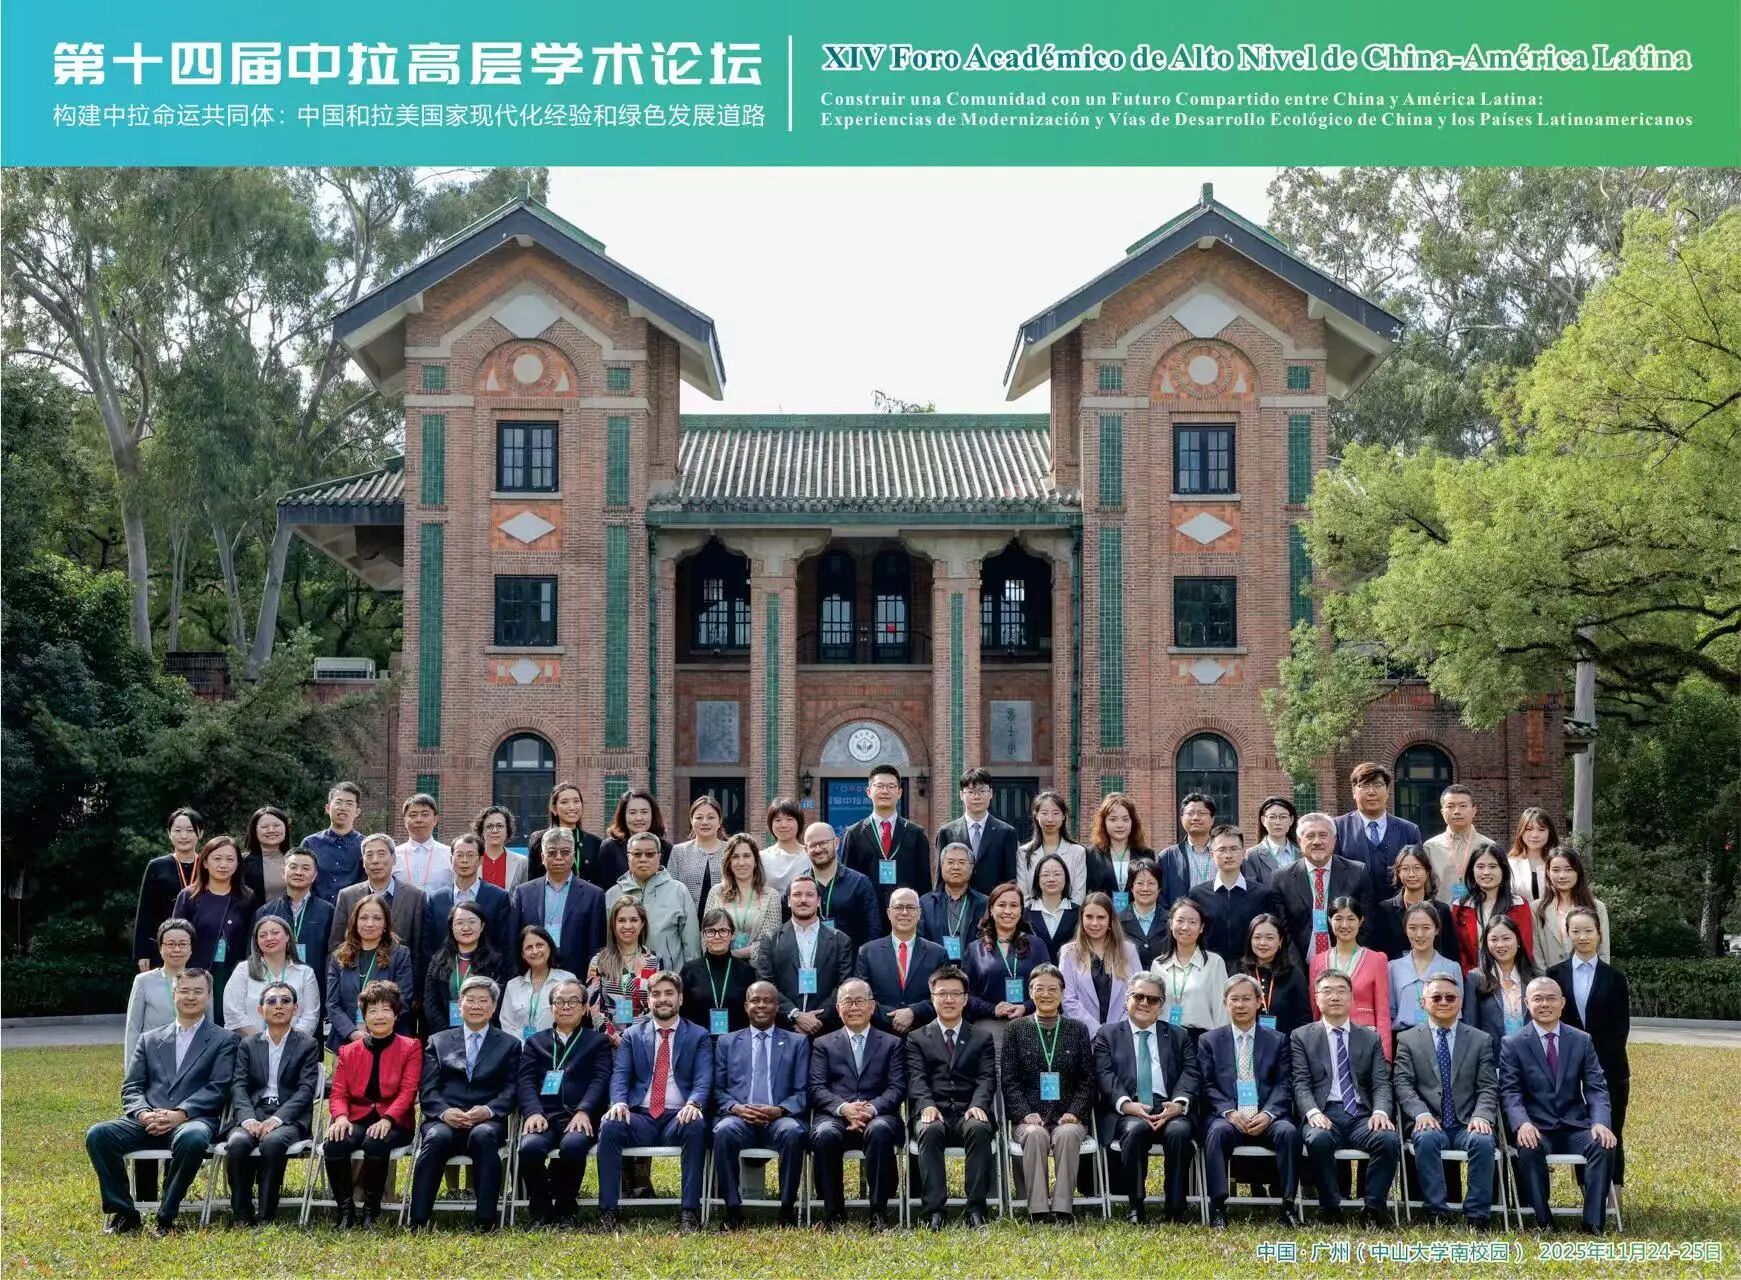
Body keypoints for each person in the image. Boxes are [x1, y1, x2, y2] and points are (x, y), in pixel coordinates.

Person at [86, 968, 237, 1235]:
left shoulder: (224, 1040)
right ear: (174, 993)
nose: (191, 997)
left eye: (198, 991)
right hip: (148, 1120)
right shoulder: (149, 1039)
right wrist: (144, 1114)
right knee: (99, 1134)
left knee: (193, 1138)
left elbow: (219, 1087)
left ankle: (166, 1216)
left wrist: (181, 1113)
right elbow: (132, 1087)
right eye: (185, 990)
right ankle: (125, 1214)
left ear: (209, 996)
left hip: (192, 1121)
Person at [596, 970, 714, 1231]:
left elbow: (704, 1078)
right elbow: (621, 1074)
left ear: (680, 998)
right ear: (648, 1000)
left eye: (669, 993)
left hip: (678, 1116)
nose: (662, 999)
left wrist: (694, 1103)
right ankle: (608, 1211)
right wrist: (619, 1102)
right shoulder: (633, 1035)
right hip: (641, 1116)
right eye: (656, 994)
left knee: (695, 1125)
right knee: (610, 1126)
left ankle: (690, 1212)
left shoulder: (699, 1035)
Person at [1500, 977, 1618, 1233]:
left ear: (1562, 1003)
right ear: (1527, 1003)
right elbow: (1510, 1092)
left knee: (1603, 1144)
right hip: (1537, 1128)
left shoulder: (1581, 1040)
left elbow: (1596, 1088)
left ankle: (1593, 1223)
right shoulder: (1513, 1043)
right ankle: (1543, 1222)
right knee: (1528, 1147)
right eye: (1538, 999)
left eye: (1551, 998)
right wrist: (1522, 1124)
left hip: (1574, 1126)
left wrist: (1600, 1122)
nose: (1545, 1004)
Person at [408, 975, 520, 1231]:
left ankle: (485, 1221)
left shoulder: (509, 1045)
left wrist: (488, 1110)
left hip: (486, 1120)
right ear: (460, 1004)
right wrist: (445, 1112)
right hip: (445, 1119)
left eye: (483, 1001)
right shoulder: (438, 1041)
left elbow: (511, 1090)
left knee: (484, 1136)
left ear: (494, 1006)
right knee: (437, 1138)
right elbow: (428, 1089)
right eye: (470, 1000)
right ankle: (418, 1221)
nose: (476, 1006)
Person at [1290, 969, 1401, 1226]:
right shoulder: (1301, 1036)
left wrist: (1380, 1112)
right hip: (1324, 1112)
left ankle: (1373, 1209)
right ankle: (1330, 1208)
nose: (1335, 997)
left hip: (1362, 1115)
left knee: (1387, 1139)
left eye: (1341, 991)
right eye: (1327, 991)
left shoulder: (1370, 1037)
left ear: (1352, 998)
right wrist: (1313, 1112)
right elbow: (1300, 1083)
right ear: (1317, 998)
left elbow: (1381, 1083)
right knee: (1318, 1139)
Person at [1392, 974, 1499, 1228]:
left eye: (1450, 997)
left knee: (1484, 1141)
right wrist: (1420, 1114)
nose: (1443, 1002)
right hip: (1428, 1121)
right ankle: (1437, 1213)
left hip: (1467, 1122)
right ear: (1423, 1002)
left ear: (1460, 1002)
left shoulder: (1480, 1039)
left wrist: (1481, 1116)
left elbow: (1488, 1086)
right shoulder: (1407, 1039)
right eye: (1436, 997)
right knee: (1426, 1139)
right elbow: (1403, 1084)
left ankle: (1477, 1215)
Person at [1092, 974, 1199, 1224]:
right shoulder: (1107, 1034)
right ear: (1126, 999)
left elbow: (1191, 1072)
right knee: (1135, 1130)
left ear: (1161, 1005)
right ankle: (1136, 1205)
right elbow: (1104, 1075)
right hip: (1128, 1107)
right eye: (1138, 996)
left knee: (1179, 1132)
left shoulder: (1179, 1035)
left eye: (1152, 999)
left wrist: (1179, 1104)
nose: (1144, 1003)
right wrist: (1126, 1104)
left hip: (1168, 1105)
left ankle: (1175, 1207)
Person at [1198, 974, 1300, 1228]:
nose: (1240, 1005)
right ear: (1225, 1003)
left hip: (1266, 1115)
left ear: (1259, 1002)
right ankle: (1218, 1206)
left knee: (1288, 1132)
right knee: (1217, 1132)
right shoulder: (1209, 1041)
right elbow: (1207, 1085)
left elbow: (1285, 1083)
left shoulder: (1278, 1040)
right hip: (1230, 1117)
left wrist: (1268, 1113)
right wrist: (1229, 1112)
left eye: (1246, 999)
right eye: (1234, 999)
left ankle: (1288, 1204)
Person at [808, 979, 907, 1229]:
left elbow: (897, 1087)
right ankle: (834, 1214)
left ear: (871, 1006)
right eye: (847, 1002)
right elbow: (816, 1087)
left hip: (879, 1114)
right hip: (835, 1116)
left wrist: (870, 1109)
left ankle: (879, 1212)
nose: (853, 1007)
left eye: (859, 1001)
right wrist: (845, 1108)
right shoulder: (822, 1044)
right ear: (838, 1008)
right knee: (825, 1134)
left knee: (880, 1130)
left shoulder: (892, 1043)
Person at [711, 980, 810, 1228]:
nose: (761, 1005)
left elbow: (803, 1091)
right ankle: (733, 1211)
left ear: (777, 1006)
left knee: (793, 1132)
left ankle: (787, 1211)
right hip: (740, 1118)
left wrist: (780, 1110)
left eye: (768, 1001)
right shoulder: (727, 1042)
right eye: (755, 1000)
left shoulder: (797, 1042)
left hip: (779, 1118)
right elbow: (717, 1090)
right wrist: (736, 1108)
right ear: (746, 1006)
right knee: (723, 1131)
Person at [322, 979, 421, 1228]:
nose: (379, 1016)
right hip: (357, 1118)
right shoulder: (348, 1051)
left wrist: (388, 1119)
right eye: (372, 1010)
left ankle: (371, 1210)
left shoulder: (411, 1047)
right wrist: (340, 1117)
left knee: (375, 1140)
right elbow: (339, 1093)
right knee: (334, 1143)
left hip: (395, 1122)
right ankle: (345, 1211)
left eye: (386, 1009)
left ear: (396, 1014)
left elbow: (408, 1091)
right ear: (364, 1016)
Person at [1001, 964, 1094, 1224]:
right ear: (1030, 992)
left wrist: (1074, 1112)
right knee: (1035, 1135)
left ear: (1062, 993)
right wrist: (1024, 1113)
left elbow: (1087, 1080)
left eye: (1053, 989)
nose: (1046, 994)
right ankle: (1038, 1209)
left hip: (1068, 1116)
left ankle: (1063, 1208)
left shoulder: (1078, 1029)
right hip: (1029, 1117)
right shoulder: (1015, 1029)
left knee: (1066, 1135)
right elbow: (1009, 1079)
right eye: (1039, 988)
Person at [514, 978, 611, 1226]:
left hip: (580, 1117)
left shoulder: (597, 1041)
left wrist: (584, 1110)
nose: (566, 1007)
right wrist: (533, 1112)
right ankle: (541, 1207)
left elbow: (600, 1080)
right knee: (529, 1148)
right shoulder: (535, 1042)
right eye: (559, 1001)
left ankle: (566, 1208)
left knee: (573, 1146)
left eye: (573, 1001)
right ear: (551, 1007)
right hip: (544, 1116)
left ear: (585, 1007)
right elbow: (525, 1081)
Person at [906, 966, 997, 1229]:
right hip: (935, 1111)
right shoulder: (917, 1038)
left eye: (956, 994)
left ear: (965, 999)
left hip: (968, 1111)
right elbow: (916, 1078)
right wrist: (926, 1105)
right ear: (932, 997)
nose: (949, 1000)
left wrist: (978, 1105)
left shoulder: (981, 1037)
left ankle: (976, 1209)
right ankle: (934, 1211)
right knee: (929, 1130)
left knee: (979, 1128)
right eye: (942, 994)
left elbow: (986, 1077)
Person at [222, 981, 320, 1224]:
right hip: (253, 1113)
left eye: (285, 1001)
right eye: (271, 1001)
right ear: (260, 1010)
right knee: (237, 1144)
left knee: (273, 1143)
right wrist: (247, 1119)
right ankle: (242, 1215)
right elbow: (239, 1086)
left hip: (288, 1118)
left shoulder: (307, 1044)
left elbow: (306, 1090)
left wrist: (278, 1119)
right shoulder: (248, 1044)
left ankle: (266, 1215)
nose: (279, 1006)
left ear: (295, 1008)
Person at [1549, 908, 1631, 1189]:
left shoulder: (1615, 977)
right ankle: (1589, 1197)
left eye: (1588, 931)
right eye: (1576, 931)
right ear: (1567, 934)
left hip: (1609, 1069)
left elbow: (1620, 1029)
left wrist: (1594, 1066)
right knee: (1579, 1132)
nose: (1582, 937)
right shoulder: (1554, 976)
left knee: (1611, 1131)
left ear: (1599, 933)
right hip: (1566, 1071)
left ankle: (1614, 1197)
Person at [754, 875, 852, 1036]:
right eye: (797, 894)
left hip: (826, 1030)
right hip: (785, 1029)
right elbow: (766, 983)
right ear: (788, 901)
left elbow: (843, 986)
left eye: (809, 895)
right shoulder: (770, 939)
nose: (803, 900)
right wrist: (795, 1015)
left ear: (818, 901)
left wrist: (816, 1019)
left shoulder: (840, 940)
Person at [1271, 812, 1375, 964]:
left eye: (1323, 835)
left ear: (1334, 840)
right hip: (1299, 966)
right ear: (1299, 841)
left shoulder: (1357, 872)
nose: (1317, 842)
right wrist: (1297, 970)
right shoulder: (1282, 878)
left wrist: (1352, 962)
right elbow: (1283, 930)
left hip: (1347, 963)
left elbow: (1367, 924)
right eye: (1310, 836)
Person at [330, 833, 427, 989]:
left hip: (398, 986)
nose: (375, 860)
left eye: (381, 854)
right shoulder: (347, 896)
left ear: (394, 859)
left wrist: (414, 993)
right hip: (353, 986)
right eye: (369, 855)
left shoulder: (415, 897)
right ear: (363, 862)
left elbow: (418, 951)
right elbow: (336, 945)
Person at [510, 828, 607, 979]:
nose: (558, 858)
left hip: (576, 974)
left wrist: (591, 980)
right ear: (543, 857)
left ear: (573, 856)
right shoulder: (523, 893)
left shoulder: (594, 894)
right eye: (552, 853)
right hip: (533, 973)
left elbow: (595, 944)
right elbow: (514, 939)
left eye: (565, 852)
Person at [326, 894, 415, 1050]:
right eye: (363, 918)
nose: (370, 924)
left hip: (388, 1041)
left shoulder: (400, 954)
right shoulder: (339, 956)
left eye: (377, 918)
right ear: (355, 922)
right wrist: (351, 1032)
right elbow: (332, 1004)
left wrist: (377, 1030)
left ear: (386, 923)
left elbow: (403, 1000)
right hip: (346, 1041)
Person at [169, 835, 254, 996]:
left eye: (230, 859)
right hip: (195, 973)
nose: (223, 865)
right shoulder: (189, 896)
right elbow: (176, 938)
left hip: (234, 972)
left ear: (238, 863)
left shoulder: (247, 897)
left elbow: (251, 939)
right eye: (217, 859)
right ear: (205, 862)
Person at [1308, 896, 1392, 1060]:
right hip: (1328, 1041)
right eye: (1338, 918)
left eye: (1351, 919)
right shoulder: (1317, 961)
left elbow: (1383, 1011)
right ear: (1329, 920)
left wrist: (1385, 1057)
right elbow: (1315, 1009)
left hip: (1365, 1040)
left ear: (1361, 921)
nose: (1345, 925)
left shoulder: (1377, 959)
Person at [855, 887, 948, 1035]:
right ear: (888, 913)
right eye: (898, 907)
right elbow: (861, 996)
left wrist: (913, 1012)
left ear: (919, 913)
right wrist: (893, 1017)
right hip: (880, 1035)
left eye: (911, 907)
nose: (904, 912)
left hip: (924, 1035)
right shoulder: (867, 952)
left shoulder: (938, 953)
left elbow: (944, 995)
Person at [840, 763, 933, 909]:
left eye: (891, 786)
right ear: (869, 791)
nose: (885, 791)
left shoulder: (915, 834)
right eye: (880, 786)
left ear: (899, 793)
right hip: (866, 912)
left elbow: (924, 883)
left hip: (905, 912)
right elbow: (848, 881)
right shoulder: (854, 834)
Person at [606, 830, 701, 971]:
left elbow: (691, 943)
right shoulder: (613, 894)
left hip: (669, 978)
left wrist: (691, 977)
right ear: (628, 857)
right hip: (623, 979)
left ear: (659, 857)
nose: (643, 859)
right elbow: (608, 942)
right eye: (637, 854)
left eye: (650, 854)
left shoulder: (678, 891)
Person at [962, 881, 1052, 1025]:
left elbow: (1050, 986)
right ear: (991, 909)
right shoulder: (974, 949)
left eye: (1014, 905)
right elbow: (966, 994)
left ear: (1021, 911)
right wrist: (993, 1009)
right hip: (989, 1023)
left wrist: (1025, 1007)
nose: (1008, 911)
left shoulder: (1037, 945)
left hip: (1031, 1021)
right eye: (1002, 905)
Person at [1190, 824, 1280, 967]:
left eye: (1233, 849)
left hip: (1251, 969)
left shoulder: (1262, 894)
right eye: (1222, 850)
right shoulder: (1197, 894)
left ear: (1244, 853)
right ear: (1212, 855)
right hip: (1208, 969)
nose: (1228, 855)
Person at [254, 848, 335, 1006]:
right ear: (283, 872)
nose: (299, 872)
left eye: (305, 868)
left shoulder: (328, 911)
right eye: (293, 867)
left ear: (315, 875)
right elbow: (254, 954)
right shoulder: (266, 912)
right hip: (274, 992)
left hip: (316, 987)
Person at [1058, 891, 1142, 1037]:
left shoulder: (1128, 951)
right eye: (1089, 917)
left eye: (1101, 917)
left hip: (1122, 1036)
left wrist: (1115, 1032)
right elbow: (1067, 1000)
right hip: (1081, 1036)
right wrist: (1098, 1031)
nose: (1094, 923)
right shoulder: (1068, 953)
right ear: (1082, 918)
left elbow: (1137, 994)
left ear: (1110, 920)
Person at [223, 914, 320, 1038]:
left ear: (288, 936)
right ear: (256, 942)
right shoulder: (243, 970)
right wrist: (261, 1041)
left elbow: (310, 1016)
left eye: (275, 933)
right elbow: (233, 1013)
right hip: (250, 1044)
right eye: (262, 935)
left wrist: (289, 1042)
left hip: (294, 1045)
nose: (269, 938)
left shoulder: (305, 973)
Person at [424, 832, 513, 963]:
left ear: (481, 860)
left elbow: (504, 942)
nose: (464, 860)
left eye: (470, 855)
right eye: (459, 855)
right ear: (451, 859)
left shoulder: (499, 897)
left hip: (486, 969)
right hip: (445, 970)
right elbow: (428, 943)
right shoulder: (436, 899)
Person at [134, 809, 206, 971]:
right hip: (165, 945)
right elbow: (145, 910)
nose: (183, 836)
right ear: (169, 833)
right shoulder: (157, 866)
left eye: (190, 830)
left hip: (202, 945)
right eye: (177, 830)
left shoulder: (208, 865)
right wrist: (142, 952)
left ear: (200, 833)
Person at [1333, 761, 1422, 889]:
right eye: (1364, 786)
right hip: (1352, 901)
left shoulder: (1409, 830)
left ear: (1387, 790)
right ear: (1354, 791)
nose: (1372, 792)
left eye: (1378, 785)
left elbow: (1418, 875)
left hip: (1398, 901)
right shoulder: (1337, 827)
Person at [423, 900, 506, 1037]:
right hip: (445, 1035)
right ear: (451, 927)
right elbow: (430, 1003)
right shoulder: (438, 961)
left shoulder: (495, 963)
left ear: (482, 926)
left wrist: (477, 1031)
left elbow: (498, 1003)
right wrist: (447, 1035)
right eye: (459, 923)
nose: (466, 928)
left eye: (472, 922)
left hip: (483, 1035)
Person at [125, 919, 201, 1066]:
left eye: (183, 944)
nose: (177, 949)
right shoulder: (143, 981)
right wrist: (132, 1070)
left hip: (192, 1061)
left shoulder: (202, 979)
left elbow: (209, 1025)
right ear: (160, 948)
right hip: (154, 1060)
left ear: (191, 948)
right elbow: (133, 1028)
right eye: (171, 944)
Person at [586, 898, 663, 1043]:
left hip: (643, 1040)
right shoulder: (599, 961)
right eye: (621, 920)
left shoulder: (655, 960)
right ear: (613, 924)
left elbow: (658, 1002)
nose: (627, 926)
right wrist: (613, 1037)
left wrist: (636, 1036)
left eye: (634, 920)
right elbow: (593, 1004)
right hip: (606, 1042)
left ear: (642, 923)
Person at [795, 821, 881, 950]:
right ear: (806, 850)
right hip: (809, 960)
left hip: (850, 959)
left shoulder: (859, 883)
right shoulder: (797, 886)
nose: (818, 849)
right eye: (812, 845)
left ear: (836, 843)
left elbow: (873, 930)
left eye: (823, 843)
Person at [1150, 897, 1230, 1034]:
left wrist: (1219, 1041)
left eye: (1192, 922)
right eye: (1180, 921)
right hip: (1165, 1036)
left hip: (1200, 1038)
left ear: (1201, 928)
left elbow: (1222, 1013)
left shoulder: (1214, 963)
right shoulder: (1158, 964)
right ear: (1171, 924)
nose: (1185, 927)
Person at [936, 768, 1019, 895]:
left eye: (982, 791)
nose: (976, 796)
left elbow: (1010, 877)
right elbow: (941, 876)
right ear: (961, 795)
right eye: (971, 792)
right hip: (957, 901)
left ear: (991, 793)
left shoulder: (1006, 832)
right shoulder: (947, 832)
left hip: (993, 902)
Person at [1452, 847, 1535, 972]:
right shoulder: (1460, 907)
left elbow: (1525, 947)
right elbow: (1458, 951)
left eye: (1492, 866)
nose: (1486, 872)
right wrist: (1470, 977)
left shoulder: (1518, 905)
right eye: (1480, 867)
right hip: (1472, 977)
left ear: (1503, 870)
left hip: (1512, 977)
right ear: (1472, 870)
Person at [1371, 845, 1460, 963]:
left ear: (1427, 872)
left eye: (1417, 868)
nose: (1411, 874)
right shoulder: (1385, 909)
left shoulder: (1441, 910)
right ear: (1398, 872)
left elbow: (1451, 953)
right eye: (1405, 869)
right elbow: (1379, 952)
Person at [704, 832, 782, 962]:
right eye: (735, 857)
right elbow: (707, 936)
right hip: (721, 966)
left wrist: (733, 954)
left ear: (755, 860)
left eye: (746, 856)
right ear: (729, 862)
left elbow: (769, 942)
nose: (741, 862)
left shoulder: (771, 896)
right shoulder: (716, 893)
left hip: (758, 969)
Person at [1388, 903, 1463, 1036]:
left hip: (1442, 1036)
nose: (1419, 934)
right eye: (1412, 928)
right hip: (1404, 1037)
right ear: (1405, 929)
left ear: (1437, 929)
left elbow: (1456, 1011)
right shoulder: (1393, 968)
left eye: (1426, 928)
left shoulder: (1452, 967)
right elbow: (1391, 1012)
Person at [1462, 914, 1538, 1045]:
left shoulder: (1535, 977)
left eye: (1506, 938)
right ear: (1486, 943)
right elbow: (1470, 1025)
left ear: (1518, 941)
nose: (1500, 944)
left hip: (1530, 1053)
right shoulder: (1476, 978)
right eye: (1494, 939)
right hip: (1492, 1053)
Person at [1534, 850, 1612, 969]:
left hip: (1588, 976)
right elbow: (1536, 953)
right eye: (1556, 870)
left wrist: (1598, 978)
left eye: (1569, 869)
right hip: (1548, 977)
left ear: (1578, 872)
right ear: (1548, 873)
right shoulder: (1537, 908)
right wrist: (1547, 979)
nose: (1562, 876)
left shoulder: (1596, 907)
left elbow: (1603, 951)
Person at [683, 909, 756, 1035]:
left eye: (723, 931)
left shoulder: (746, 971)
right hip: (699, 1041)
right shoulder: (689, 970)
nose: (717, 936)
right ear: (703, 935)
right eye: (710, 931)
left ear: (732, 934)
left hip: (736, 1041)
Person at [500, 924, 577, 1043]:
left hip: (557, 1048)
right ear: (523, 954)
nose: (535, 951)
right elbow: (507, 1024)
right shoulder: (512, 985)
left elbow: (573, 1019)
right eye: (529, 947)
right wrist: (524, 1046)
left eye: (539, 945)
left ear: (549, 947)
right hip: (520, 1050)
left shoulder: (567, 980)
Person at [1239, 914, 1312, 1037]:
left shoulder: (1294, 974)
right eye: (1257, 937)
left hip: (1285, 1044)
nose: (1263, 943)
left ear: (1280, 941)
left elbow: (1304, 1020)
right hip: (1246, 1043)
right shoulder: (1239, 972)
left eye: (1269, 938)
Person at [1422, 784, 1495, 903]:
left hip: (1480, 912)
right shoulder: (1430, 847)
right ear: (1442, 812)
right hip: (1441, 912)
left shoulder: (1489, 846)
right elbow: (1425, 889)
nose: (1457, 811)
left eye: (1463, 806)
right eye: (1450, 806)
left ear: (1474, 811)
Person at [1014, 790, 1088, 905]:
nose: (1050, 819)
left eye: (1055, 813)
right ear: (1036, 815)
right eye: (1044, 813)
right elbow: (1023, 895)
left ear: (1064, 815)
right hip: (1032, 914)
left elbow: (1078, 896)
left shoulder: (1077, 851)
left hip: (1069, 914)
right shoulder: (1024, 852)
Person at [918, 843, 988, 962]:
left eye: (962, 862)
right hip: (936, 968)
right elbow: (920, 941)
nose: (956, 867)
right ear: (941, 866)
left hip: (973, 967)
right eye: (950, 862)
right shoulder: (925, 903)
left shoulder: (984, 903)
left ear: (971, 868)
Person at [525, 781, 603, 884]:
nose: (572, 807)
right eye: (564, 802)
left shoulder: (595, 842)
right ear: (554, 808)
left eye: (576, 801)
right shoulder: (539, 839)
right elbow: (533, 881)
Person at [596, 787, 673, 891]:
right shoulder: (609, 848)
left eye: (644, 812)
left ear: (652, 814)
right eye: (632, 812)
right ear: (623, 816)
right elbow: (603, 888)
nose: (639, 818)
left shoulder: (667, 849)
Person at [1085, 792, 1154, 906]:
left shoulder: (1146, 854)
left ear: (1133, 822)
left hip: (1136, 915)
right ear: (1103, 822)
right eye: (1113, 819)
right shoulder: (1091, 854)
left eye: (1125, 819)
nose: (1120, 825)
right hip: (1103, 914)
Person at [301, 781, 365, 904]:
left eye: (349, 804)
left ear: (357, 812)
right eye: (338, 802)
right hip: (317, 911)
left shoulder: (365, 845)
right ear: (328, 808)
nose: (343, 808)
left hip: (353, 911)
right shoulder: (310, 843)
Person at [668, 793, 728, 910]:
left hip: (724, 917)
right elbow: (670, 890)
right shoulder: (678, 851)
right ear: (691, 820)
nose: (704, 822)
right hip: (686, 916)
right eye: (699, 817)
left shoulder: (730, 850)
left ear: (720, 821)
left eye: (711, 817)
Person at [1157, 792, 1220, 902]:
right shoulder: (1167, 857)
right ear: (1182, 818)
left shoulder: (1224, 852)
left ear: (1212, 819)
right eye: (1190, 813)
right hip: (1181, 913)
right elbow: (1161, 896)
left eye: (1202, 813)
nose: (1195, 818)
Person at [394, 792, 452, 895]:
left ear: (435, 820)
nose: (419, 820)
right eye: (413, 815)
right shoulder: (393, 855)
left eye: (425, 814)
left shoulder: (450, 854)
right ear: (405, 821)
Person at [1024, 852, 1080, 956]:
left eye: (1057, 874)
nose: (1051, 879)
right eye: (1045, 875)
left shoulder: (1079, 913)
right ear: (1037, 879)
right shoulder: (1025, 914)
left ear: (1066, 878)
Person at [1119, 858, 1169, 968]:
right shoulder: (1117, 922)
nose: (1145, 888)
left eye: (1151, 883)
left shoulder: (1171, 921)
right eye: (1140, 883)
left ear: (1159, 888)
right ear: (1132, 887)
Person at [1505, 807, 1558, 907]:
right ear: (1521, 832)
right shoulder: (1510, 864)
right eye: (1529, 829)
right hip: (1519, 916)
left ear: (1550, 833)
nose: (1535, 835)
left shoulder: (1558, 862)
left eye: (1541, 830)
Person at [1244, 795, 1301, 885]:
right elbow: (1252, 890)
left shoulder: (1302, 854)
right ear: (1263, 820)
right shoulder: (1251, 856)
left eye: (1283, 817)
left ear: (1291, 820)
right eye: (1272, 817)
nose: (1277, 822)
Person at [758, 797, 810, 896]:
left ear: (799, 822)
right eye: (778, 820)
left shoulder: (809, 855)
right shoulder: (762, 857)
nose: (784, 825)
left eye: (789, 819)